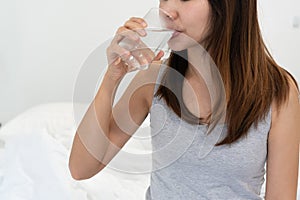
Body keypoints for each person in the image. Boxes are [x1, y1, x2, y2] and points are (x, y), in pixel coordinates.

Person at [69, 0, 300, 199]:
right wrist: (112, 77)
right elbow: (81, 168)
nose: (167, 10)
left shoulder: (279, 93)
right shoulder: (153, 80)